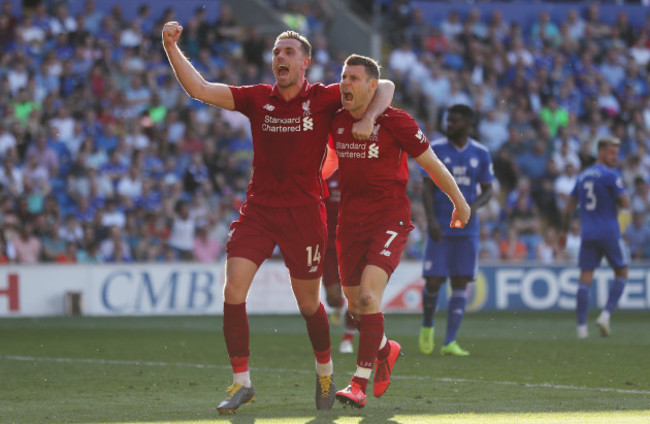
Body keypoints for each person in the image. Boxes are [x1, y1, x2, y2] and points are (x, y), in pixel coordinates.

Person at [162, 23, 395, 413]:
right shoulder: (257, 98)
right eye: (276, 52)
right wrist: (171, 47)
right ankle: (242, 383)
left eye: (288, 52)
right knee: (233, 290)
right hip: (259, 211)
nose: (280, 58)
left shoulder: (323, 98)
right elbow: (199, 89)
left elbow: (383, 87)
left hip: (304, 214)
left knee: (308, 305)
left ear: (305, 63)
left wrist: (368, 118)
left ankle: (324, 372)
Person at [325, 54, 470, 408]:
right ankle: (386, 350)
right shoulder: (336, 119)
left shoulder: (397, 122)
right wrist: (310, 180)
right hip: (350, 221)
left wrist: (460, 203)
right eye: (344, 77)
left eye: (354, 78)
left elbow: (432, 165)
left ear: (371, 87)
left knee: (370, 298)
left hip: (390, 218)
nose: (345, 84)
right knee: (356, 306)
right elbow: (330, 159)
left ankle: (357, 384)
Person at [419, 104, 494, 357]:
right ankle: (428, 325)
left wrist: (471, 207)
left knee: (460, 281)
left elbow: (488, 190)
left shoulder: (481, 153)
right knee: (433, 280)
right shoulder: (436, 149)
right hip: (440, 224)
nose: (449, 124)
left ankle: (450, 341)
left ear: (468, 124)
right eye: (448, 120)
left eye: (455, 121)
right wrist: (430, 220)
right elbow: (427, 188)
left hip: (467, 229)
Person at [562, 137, 630, 339]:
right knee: (622, 272)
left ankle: (581, 328)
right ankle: (606, 315)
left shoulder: (582, 176)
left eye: (617, 154)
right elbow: (625, 202)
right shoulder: (611, 175)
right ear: (600, 152)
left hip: (588, 233)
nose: (615, 157)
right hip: (609, 231)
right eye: (611, 153)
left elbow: (568, 208)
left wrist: (564, 230)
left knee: (585, 278)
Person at [322, 170, 357, 353]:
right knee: (333, 297)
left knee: (354, 294)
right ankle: (338, 306)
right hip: (327, 244)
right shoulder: (324, 174)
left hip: (350, 242)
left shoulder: (354, 173)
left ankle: (347, 339)